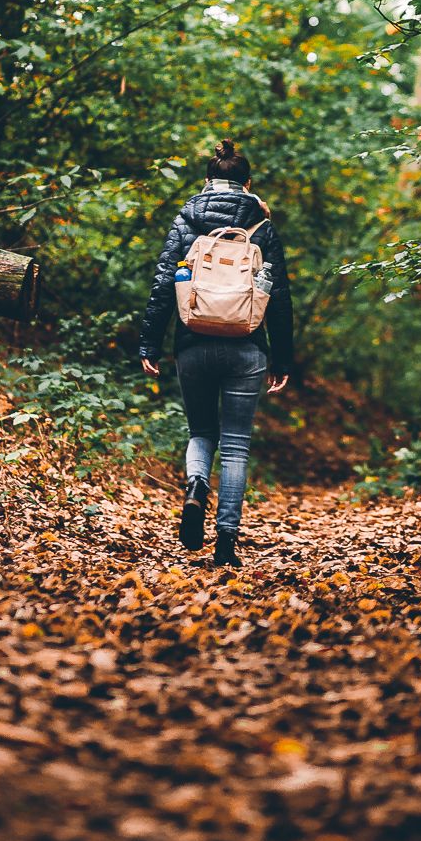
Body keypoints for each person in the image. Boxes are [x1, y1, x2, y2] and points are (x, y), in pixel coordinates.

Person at [139, 140, 293, 568]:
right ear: (248, 183)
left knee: (201, 432)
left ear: (207, 181)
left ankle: (194, 487)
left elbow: (164, 282)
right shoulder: (261, 224)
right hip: (246, 348)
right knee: (237, 447)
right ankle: (226, 541)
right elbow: (278, 296)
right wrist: (282, 359)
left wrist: (149, 341)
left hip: (192, 344)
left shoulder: (188, 216)